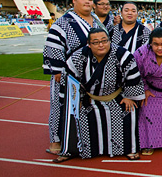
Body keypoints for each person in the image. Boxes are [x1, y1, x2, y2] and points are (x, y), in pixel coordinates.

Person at [54, 28, 145, 162]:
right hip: (88, 98)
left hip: (115, 96)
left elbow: (132, 77)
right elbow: (69, 81)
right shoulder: (78, 57)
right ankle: (71, 149)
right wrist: (75, 100)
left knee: (129, 111)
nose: (101, 45)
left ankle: (129, 149)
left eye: (104, 41)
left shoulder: (122, 55)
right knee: (73, 113)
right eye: (96, 42)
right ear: (89, 44)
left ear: (109, 41)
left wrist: (129, 97)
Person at [43, 0, 101, 155]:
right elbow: (53, 48)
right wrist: (58, 71)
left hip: (91, 75)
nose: (88, 2)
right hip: (67, 73)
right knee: (59, 106)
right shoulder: (63, 22)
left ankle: (79, 140)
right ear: (74, 1)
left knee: (84, 108)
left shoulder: (96, 22)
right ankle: (55, 141)